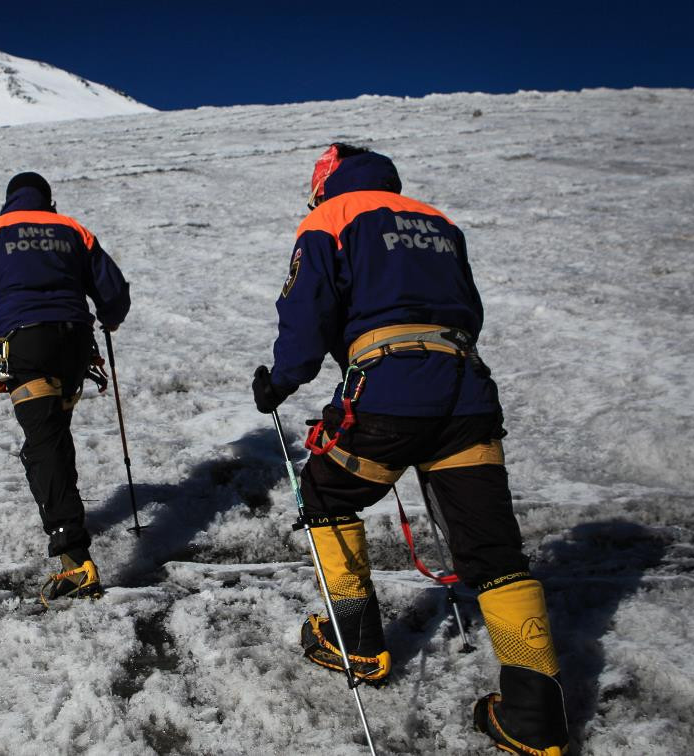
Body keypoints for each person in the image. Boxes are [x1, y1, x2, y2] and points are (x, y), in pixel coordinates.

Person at [253, 144, 568, 755]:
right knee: (492, 547)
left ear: (325, 182)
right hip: (467, 392)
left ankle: (358, 642)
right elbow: (468, 310)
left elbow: (306, 311)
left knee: (324, 490)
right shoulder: (439, 222)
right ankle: (535, 716)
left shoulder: (330, 219)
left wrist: (281, 380)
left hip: (389, 390)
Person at [0, 172, 130, 603]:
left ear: (9, 200)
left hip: (25, 343)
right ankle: (69, 522)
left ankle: (75, 560)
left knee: (43, 444)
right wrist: (109, 315)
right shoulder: (72, 229)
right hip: (74, 343)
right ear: (47, 200)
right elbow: (115, 289)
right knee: (53, 435)